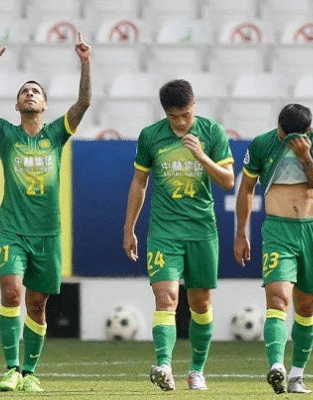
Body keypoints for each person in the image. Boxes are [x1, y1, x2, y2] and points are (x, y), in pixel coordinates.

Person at [0, 32, 91, 393]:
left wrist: (85, 62)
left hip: (48, 233)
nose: (30, 94)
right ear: (17, 104)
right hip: (12, 230)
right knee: (12, 292)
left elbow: (84, 101)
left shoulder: (56, 134)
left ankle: (30, 373)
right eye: (24, 91)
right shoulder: (6, 135)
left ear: (45, 104)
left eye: (36, 91)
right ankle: (11, 368)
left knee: (37, 305)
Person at [123, 79, 235, 391]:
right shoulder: (151, 136)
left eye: (186, 115)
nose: (181, 122)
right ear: (165, 113)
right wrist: (129, 228)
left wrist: (202, 157)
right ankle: (164, 365)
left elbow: (228, 181)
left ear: (194, 106)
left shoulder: (212, 133)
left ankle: (197, 370)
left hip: (201, 230)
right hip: (164, 231)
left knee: (201, 302)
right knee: (166, 298)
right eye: (174, 117)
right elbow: (139, 182)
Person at [234, 103, 313, 394]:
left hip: (311, 230)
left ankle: (297, 375)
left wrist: (305, 157)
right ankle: (277, 365)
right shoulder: (262, 144)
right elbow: (246, 188)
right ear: (278, 126)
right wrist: (241, 233)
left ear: (308, 130)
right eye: (283, 134)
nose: (287, 139)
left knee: (307, 305)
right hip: (278, 230)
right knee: (278, 299)